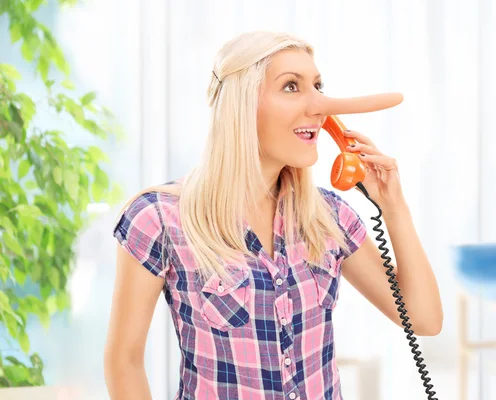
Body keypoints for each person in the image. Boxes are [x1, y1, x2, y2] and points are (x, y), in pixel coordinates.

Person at [103, 30, 443, 400]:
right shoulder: (159, 219)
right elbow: (124, 361)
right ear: (242, 104)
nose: (320, 106)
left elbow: (423, 319)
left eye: (318, 86)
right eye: (292, 87)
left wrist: (393, 207)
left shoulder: (329, 218)